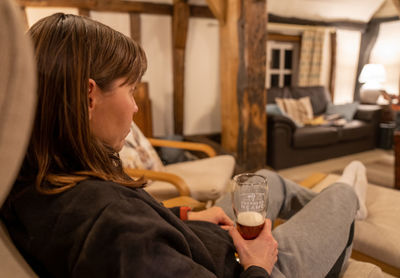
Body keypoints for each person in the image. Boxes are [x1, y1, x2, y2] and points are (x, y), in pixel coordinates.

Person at [0, 13, 366, 278]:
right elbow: (125, 234)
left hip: (199, 244)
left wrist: (185, 217)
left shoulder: (32, 178)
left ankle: (332, 222)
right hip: (254, 270)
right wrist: (258, 262)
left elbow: (138, 229)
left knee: (268, 179)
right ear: (88, 97)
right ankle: (349, 211)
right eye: (131, 89)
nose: (136, 106)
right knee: (342, 193)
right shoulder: (108, 224)